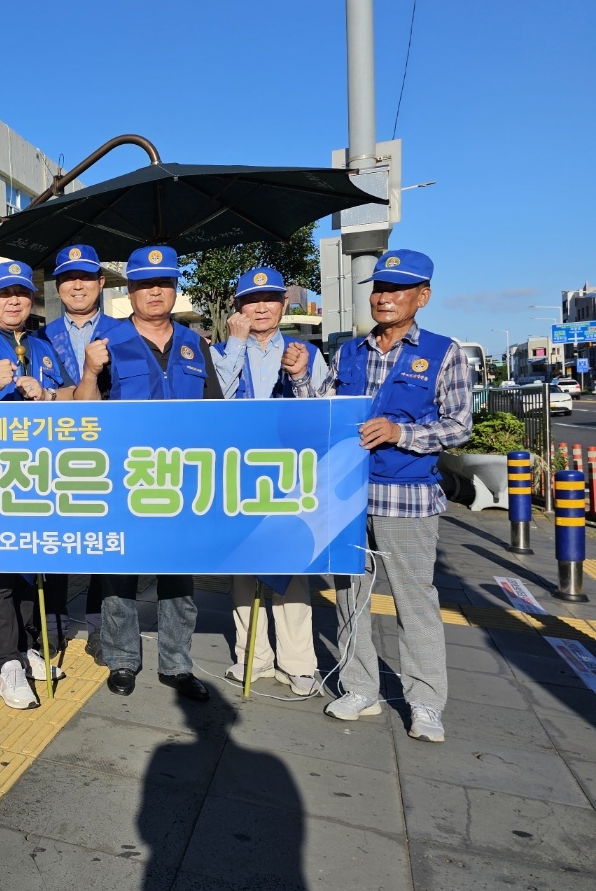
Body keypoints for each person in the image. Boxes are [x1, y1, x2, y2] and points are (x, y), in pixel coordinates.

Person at [282, 249, 470, 742]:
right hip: (348, 496)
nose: (385, 298)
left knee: (416, 603)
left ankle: (426, 702)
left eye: (398, 290)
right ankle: (359, 686)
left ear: (422, 297)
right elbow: (324, 415)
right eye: (380, 289)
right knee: (350, 597)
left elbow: (458, 426)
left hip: (407, 496)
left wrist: (399, 432)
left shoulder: (444, 352)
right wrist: (302, 376)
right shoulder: (348, 352)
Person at [76, 245, 220, 703]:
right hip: (125, 476)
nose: (155, 292)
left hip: (182, 478)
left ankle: (177, 665)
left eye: (164, 283)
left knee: (179, 575)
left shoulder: (196, 344)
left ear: (175, 289)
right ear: (129, 290)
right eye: (143, 283)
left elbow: (217, 413)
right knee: (120, 572)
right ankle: (122, 659)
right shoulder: (106, 342)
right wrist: (89, 369)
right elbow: (83, 415)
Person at [0, 260, 74, 710]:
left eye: (21, 293)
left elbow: (68, 395)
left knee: (31, 559)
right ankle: (5, 664)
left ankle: (26, 646)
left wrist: (46, 395)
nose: (13, 301)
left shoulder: (43, 345)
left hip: (38, 471)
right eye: (3, 294)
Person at [213, 267, 330, 696]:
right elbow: (216, 400)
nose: (260, 307)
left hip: (288, 476)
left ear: (284, 304)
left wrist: (299, 376)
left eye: (269, 298)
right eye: (250, 299)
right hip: (237, 474)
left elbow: (321, 414)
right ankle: (252, 657)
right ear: (237, 309)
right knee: (242, 570)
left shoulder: (308, 352)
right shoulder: (225, 349)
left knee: (292, 568)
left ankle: (299, 663)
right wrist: (236, 343)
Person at [38, 243, 121, 665]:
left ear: (101, 283)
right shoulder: (39, 336)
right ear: (58, 286)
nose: (77, 285)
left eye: (86, 277)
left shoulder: (125, 331)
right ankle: (52, 627)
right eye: (68, 278)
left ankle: (99, 627)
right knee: (56, 542)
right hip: (57, 454)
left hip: (109, 453)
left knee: (104, 543)